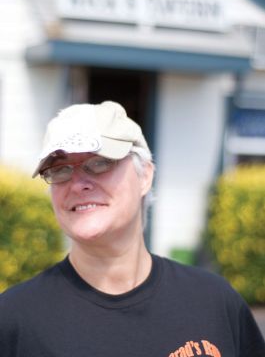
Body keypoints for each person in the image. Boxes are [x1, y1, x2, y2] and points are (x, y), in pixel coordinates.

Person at [0, 100, 264, 357]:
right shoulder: (14, 320)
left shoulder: (214, 301)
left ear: (145, 175)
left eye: (100, 162)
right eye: (59, 170)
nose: (78, 183)